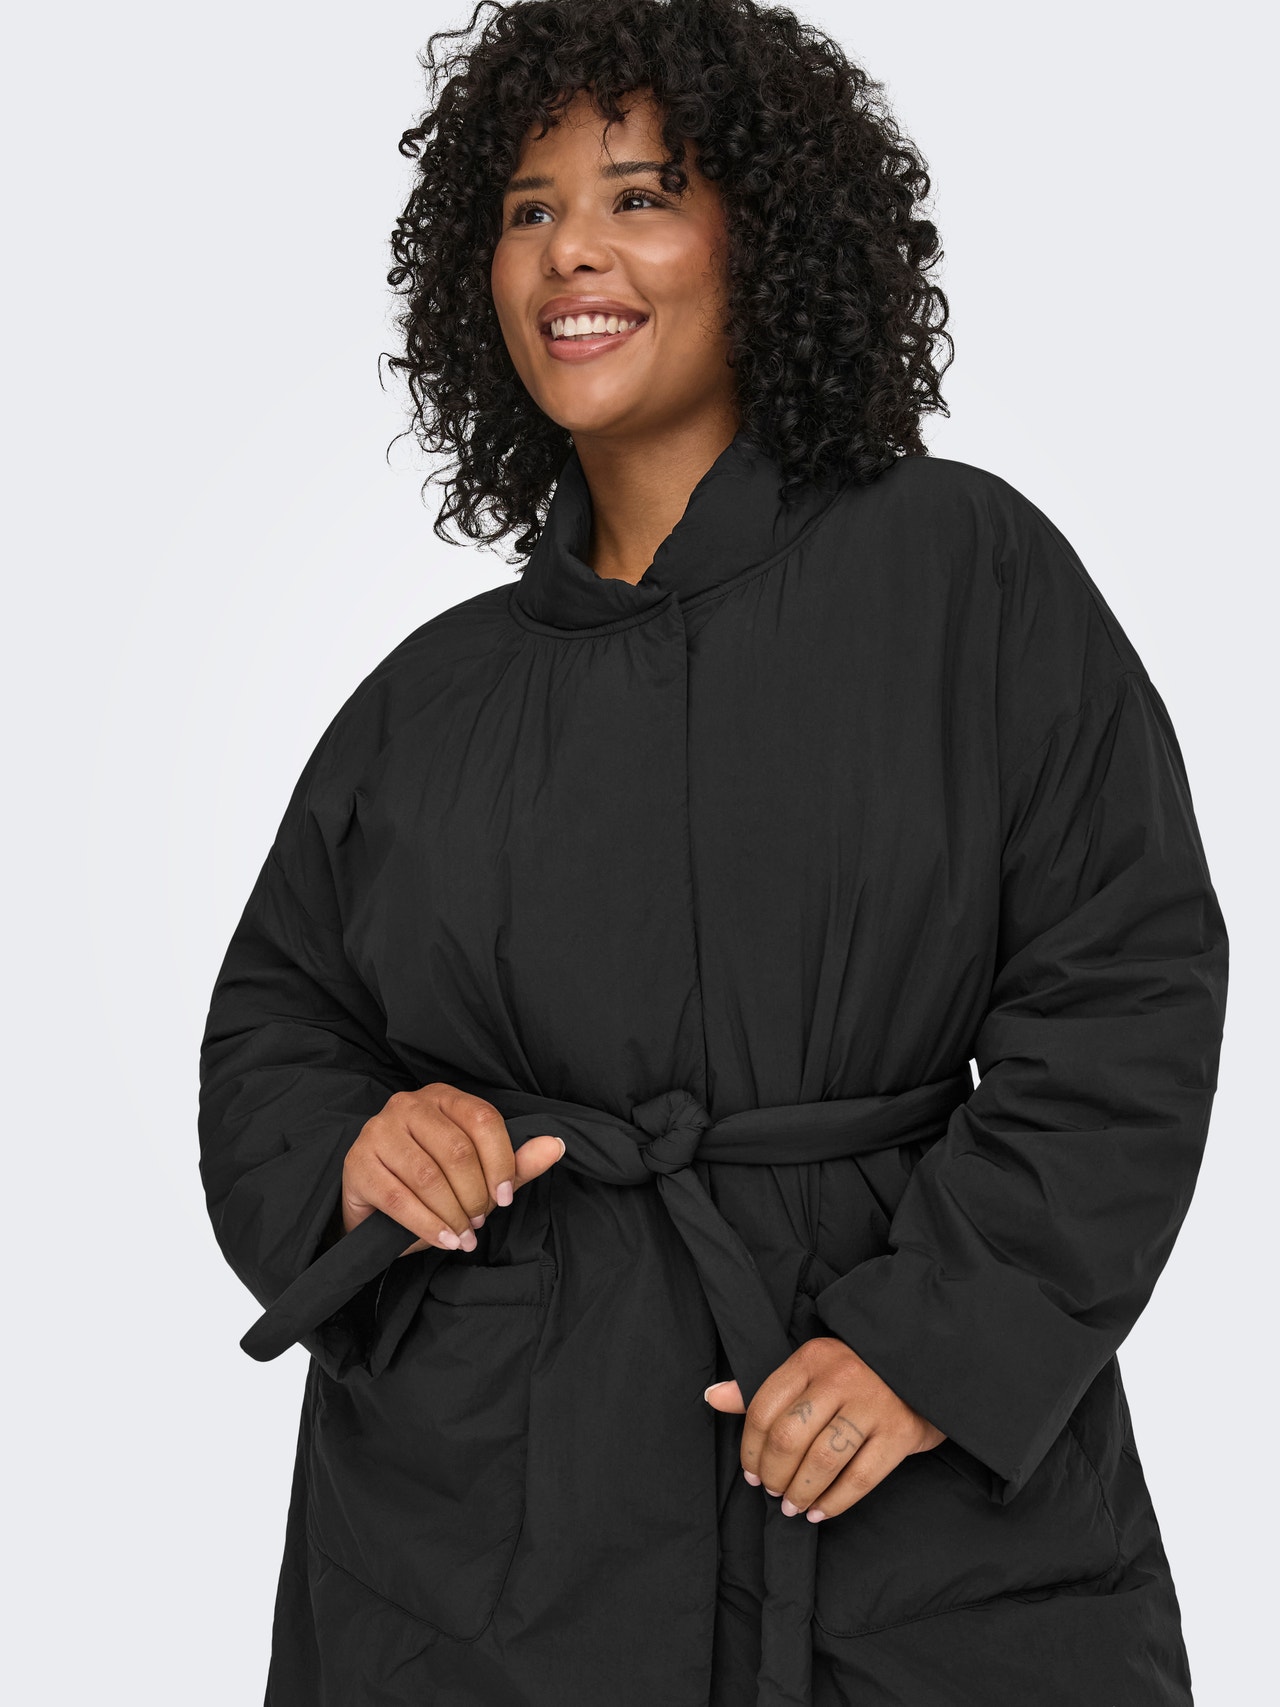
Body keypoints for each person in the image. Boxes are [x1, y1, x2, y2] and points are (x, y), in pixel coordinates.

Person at [197, 2, 1229, 1703]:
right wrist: (362, 1149)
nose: (570, 252)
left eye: (640, 195)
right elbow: (276, 1025)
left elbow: (1124, 987)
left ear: (772, 239)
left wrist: (936, 1347)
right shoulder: (425, 699)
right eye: (527, 210)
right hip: (485, 1527)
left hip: (897, 1499)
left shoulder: (963, 573)